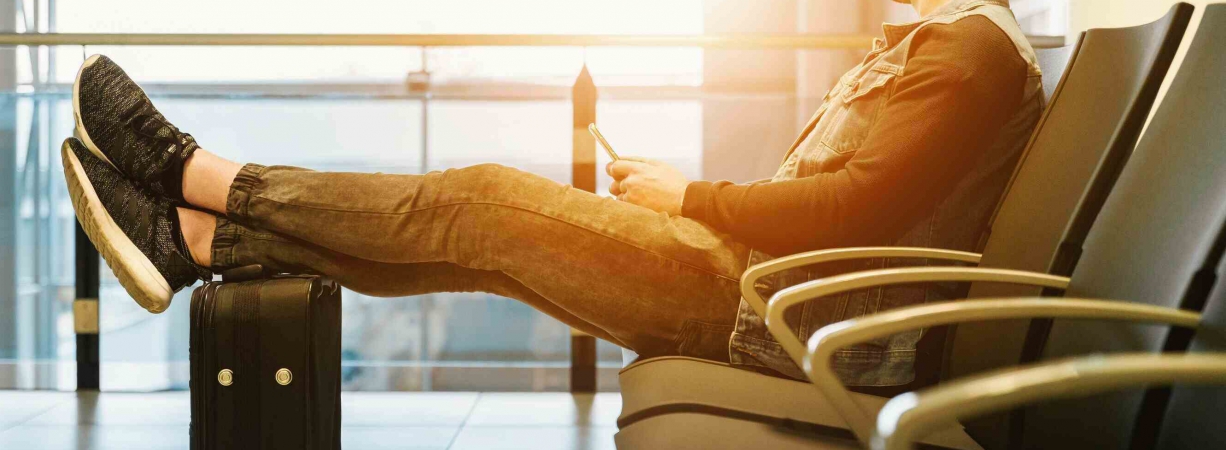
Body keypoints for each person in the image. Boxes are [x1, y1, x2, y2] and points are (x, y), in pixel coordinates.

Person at [63, 0, 1043, 386]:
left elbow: (845, 212)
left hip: (772, 312)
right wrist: (682, 200)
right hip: (765, 296)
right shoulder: (944, 44)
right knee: (479, 242)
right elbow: (838, 200)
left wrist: (688, 196)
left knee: (479, 203)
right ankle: (194, 244)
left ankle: (189, 174)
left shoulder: (967, 55)